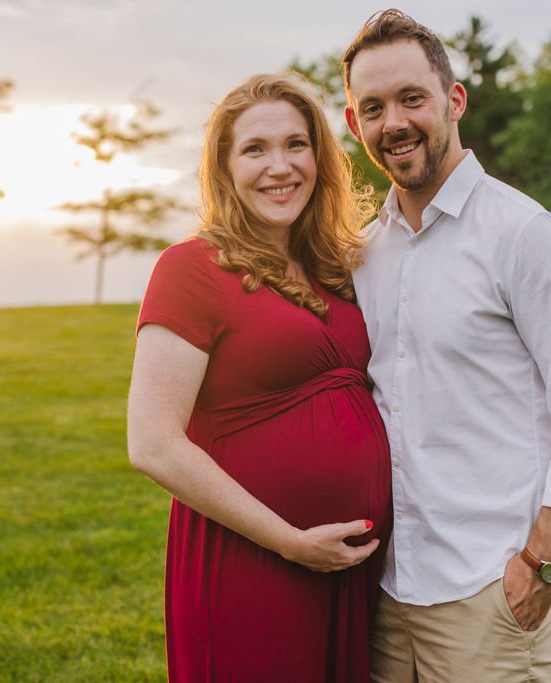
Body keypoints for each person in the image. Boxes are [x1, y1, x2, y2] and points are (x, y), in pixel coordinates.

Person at [341, 10, 551, 683]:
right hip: (386, 591)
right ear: (355, 125)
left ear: (453, 100)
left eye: (412, 98)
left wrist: (541, 562)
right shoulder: (365, 251)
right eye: (373, 107)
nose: (395, 123)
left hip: (490, 590)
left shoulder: (525, 234)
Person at [127, 72, 393, 682]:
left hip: (349, 570)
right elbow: (152, 444)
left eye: (296, 145)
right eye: (255, 149)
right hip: (253, 559)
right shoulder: (190, 269)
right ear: (224, 168)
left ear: (321, 158)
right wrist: (288, 541)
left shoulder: (336, 268)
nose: (280, 166)